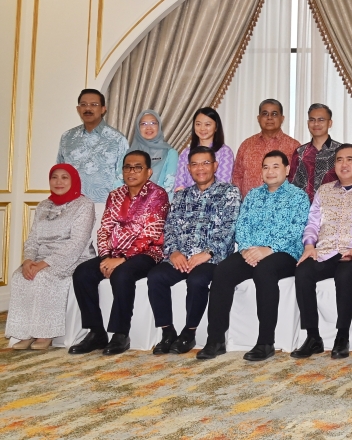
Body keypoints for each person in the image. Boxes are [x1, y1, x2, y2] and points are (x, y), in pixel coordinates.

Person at [197, 150, 310, 361]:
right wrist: (248, 249)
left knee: (264, 270)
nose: (270, 171)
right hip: (251, 251)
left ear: (287, 170)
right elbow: (242, 226)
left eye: (276, 166)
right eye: (266, 167)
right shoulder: (253, 195)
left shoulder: (299, 196)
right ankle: (216, 339)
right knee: (222, 270)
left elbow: (297, 229)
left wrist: (269, 249)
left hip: (284, 253)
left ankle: (265, 342)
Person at [69, 150, 170, 355]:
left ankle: (121, 334)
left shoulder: (158, 195)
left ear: (149, 172)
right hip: (114, 253)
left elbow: (151, 234)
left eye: (137, 167)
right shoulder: (114, 196)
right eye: (127, 167)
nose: (131, 171)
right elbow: (105, 228)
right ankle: (96, 332)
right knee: (82, 273)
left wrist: (122, 259)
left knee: (122, 273)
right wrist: (106, 256)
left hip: (148, 254)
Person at [147, 146, 241, 355]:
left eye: (206, 163)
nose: (200, 168)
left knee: (197, 280)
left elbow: (229, 228)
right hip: (181, 256)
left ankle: (189, 333)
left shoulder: (229, 192)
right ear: (189, 168)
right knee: (155, 277)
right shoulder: (181, 196)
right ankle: (167, 332)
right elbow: (170, 227)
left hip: (211, 257)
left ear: (215, 166)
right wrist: (173, 252)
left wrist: (207, 253)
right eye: (195, 164)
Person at [292, 144, 352, 360]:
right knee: (303, 272)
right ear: (334, 165)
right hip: (325, 251)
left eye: (350, 159)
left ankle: (342, 337)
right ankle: (313, 337)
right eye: (340, 159)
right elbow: (312, 223)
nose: (344, 164)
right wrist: (309, 245)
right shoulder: (324, 191)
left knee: (344, 274)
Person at [6, 165, 94, 351]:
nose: (59, 182)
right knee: (19, 276)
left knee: (45, 276)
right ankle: (24, 332)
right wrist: (28, 261)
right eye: (54, 177)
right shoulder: (43, 205)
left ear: (74, 181)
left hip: (73, 257)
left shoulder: (84, 205)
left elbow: (77, 243)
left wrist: (44, 264)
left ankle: (45, 334)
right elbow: (32, 239)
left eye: (64, 177)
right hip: (40, 258)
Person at [57, 89, 129, 204]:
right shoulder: (67, 138)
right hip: (71, 206)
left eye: (94, 105)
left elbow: (124, 178)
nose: (88, 109)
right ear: (78, 109)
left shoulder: (117, 139)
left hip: (105, 207)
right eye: (83, 105)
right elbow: (59, 173)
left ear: (103, 109)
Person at [232, 99, 300, 197]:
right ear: (258, 118)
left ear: (282, 118)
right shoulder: (246, 145)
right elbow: (237, 176)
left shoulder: (294, 146)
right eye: (265, 114)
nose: (269, 118)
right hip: (250, 207)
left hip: (283, 207)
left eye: (274, 114)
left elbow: (298, 180)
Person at [289, 103, 341, 201]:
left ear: (330, 123)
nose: (316, 124)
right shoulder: (300, 153)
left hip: (334, 210)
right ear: (308, 123)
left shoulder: (341, 151)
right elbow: (292, 185)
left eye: (321, 120)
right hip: (304, 210)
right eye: (312, 120)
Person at [174, 107, 234, 192]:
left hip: (215, 201)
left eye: (207, 124)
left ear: (216, 127)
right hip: (188, 201)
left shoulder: (225, 152)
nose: (202, 128)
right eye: (198, 124)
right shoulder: (186, 152)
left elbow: (223, 184)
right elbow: (179, 183)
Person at [128, 109, 179, 200]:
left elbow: (169, 185)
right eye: (143, 124)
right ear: (137, 128)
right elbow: (120, 181)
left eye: (153, 123)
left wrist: (149, 204)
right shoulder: (128, 154)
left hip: (159, 205)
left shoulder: (170, 153)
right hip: (130, 205)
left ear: (159, 127)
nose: (148, 128)